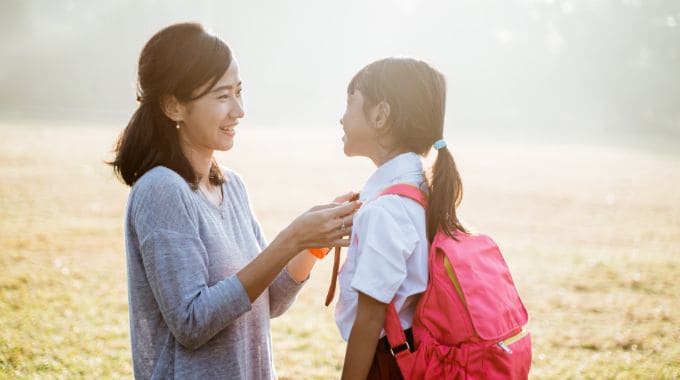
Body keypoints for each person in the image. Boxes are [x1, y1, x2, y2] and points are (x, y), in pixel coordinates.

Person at [110, 22, 359, 379]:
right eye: (222, 96)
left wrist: (310, 245)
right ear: (173, 106)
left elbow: (268, 300)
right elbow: (191, 322)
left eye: (239, 92)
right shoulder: (161, 190)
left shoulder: (233, 186)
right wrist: (291, 238)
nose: (239, 110)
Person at [335, 57, 465, 379]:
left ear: (381, 116)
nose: (341, 118)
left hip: (387, 364)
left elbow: (369, 321)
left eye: (350, 103)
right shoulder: (420, 191)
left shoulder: (385, 211)